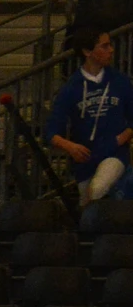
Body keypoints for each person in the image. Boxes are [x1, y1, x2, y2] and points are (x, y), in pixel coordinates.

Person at [45, 25, 133, 203]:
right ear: (87, 51)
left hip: (114, 153)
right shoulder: (71, 87)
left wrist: (122, 137)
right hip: (86, 157)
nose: (111, 50)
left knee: (98, 188)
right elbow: (52, 131)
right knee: (88, 201)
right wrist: (70, 146)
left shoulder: (120, 82)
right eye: (104, 46)